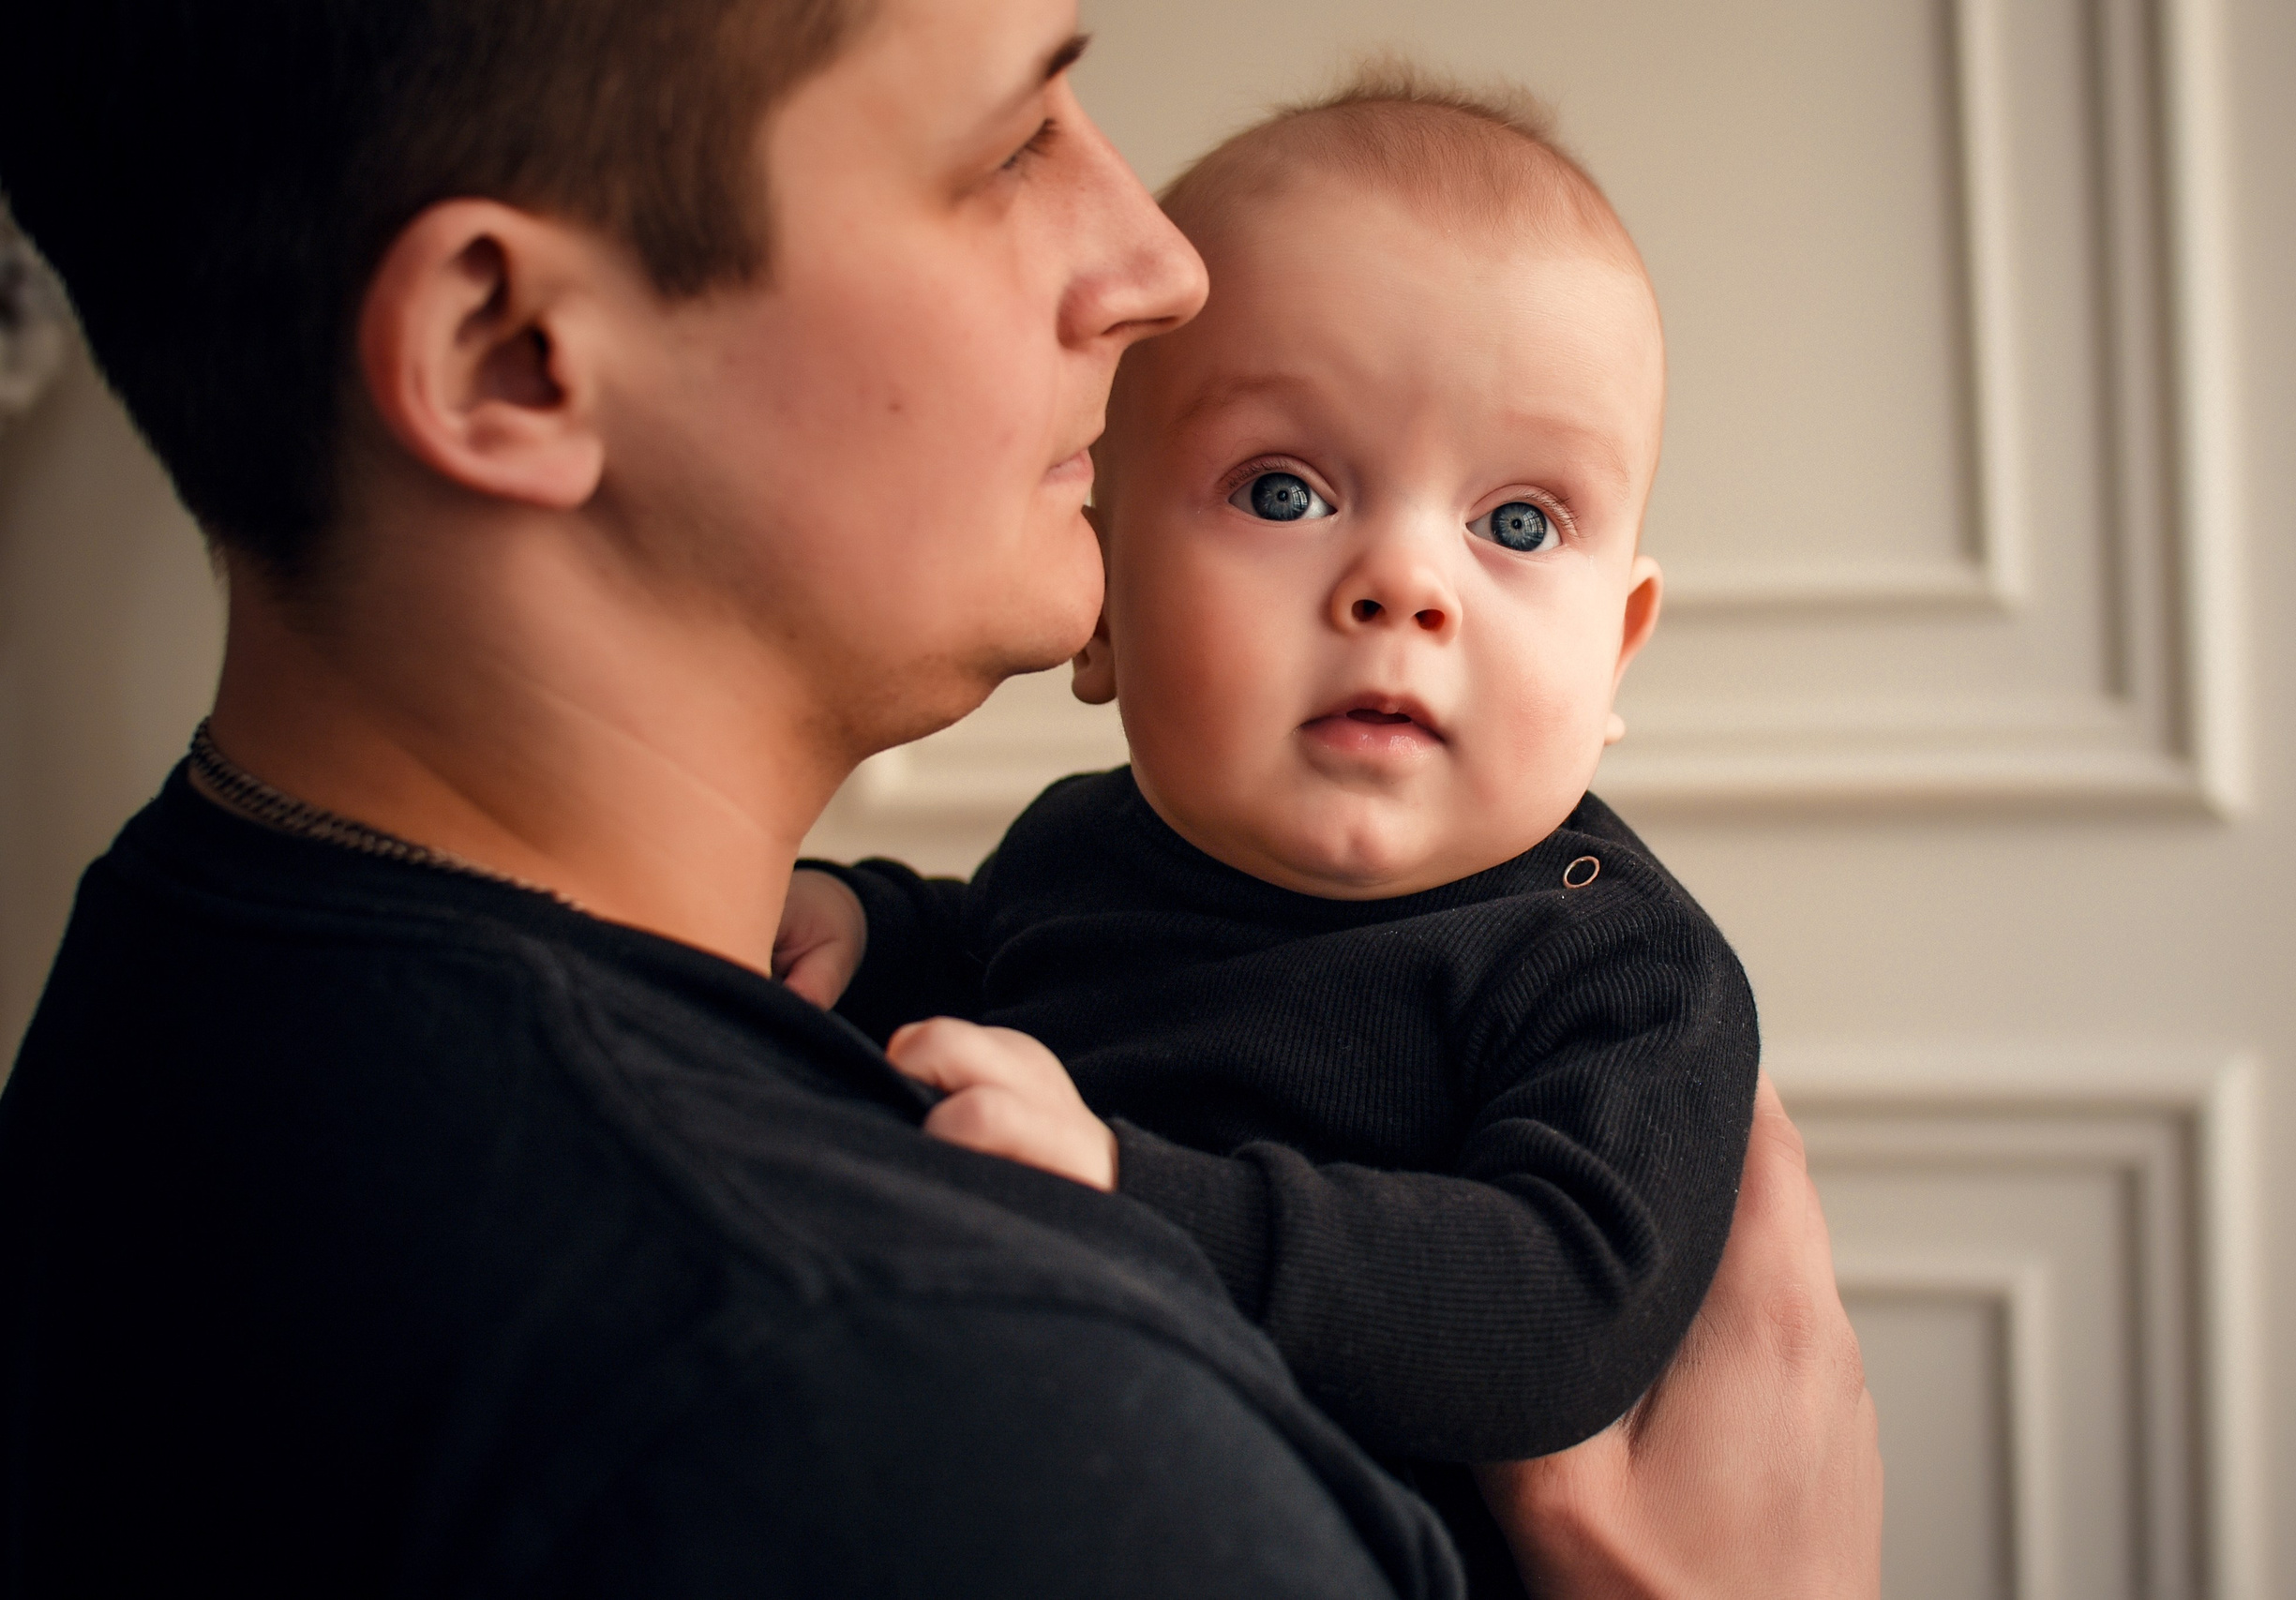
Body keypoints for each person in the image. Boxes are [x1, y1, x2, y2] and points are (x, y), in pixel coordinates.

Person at [0, 1, 1879, 1595]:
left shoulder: (179, 960)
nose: (1156, 265)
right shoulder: (976, 1427)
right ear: (513, 352)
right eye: (1010, 144)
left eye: (1518, 522)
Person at [779, 74, 1754, 1597]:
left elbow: (1562, 1314)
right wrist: (870, 925)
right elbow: (986, 952)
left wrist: (1126, 1196)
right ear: (1103, 602)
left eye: (1516, 524)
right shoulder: (1075, 854)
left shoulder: (1615, 970)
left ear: (1616, 656)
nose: (1403, 586)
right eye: (1285, 489)